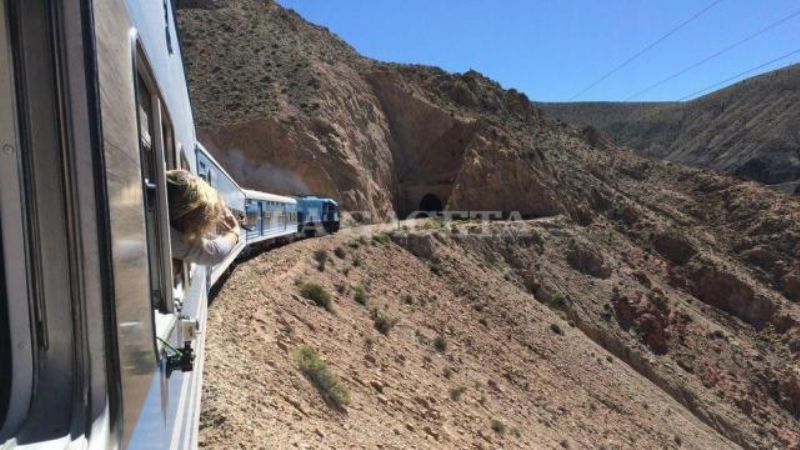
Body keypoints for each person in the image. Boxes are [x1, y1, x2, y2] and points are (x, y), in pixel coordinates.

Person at [166, 169, 240, 266]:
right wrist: (235, 232)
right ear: (189, 221)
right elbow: (214, 253)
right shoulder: (169, 237)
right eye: (200, 228)